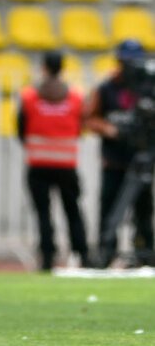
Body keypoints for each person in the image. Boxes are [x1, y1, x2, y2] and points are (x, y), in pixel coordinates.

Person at [17, 50, 91, 271]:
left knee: (43, 213)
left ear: (44, 67)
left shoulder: (29, 96)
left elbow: (20, 129)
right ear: (62, 67)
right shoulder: (76, 97)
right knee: (73, 211)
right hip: (66, 164)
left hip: (38, 163)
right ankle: (82, 255)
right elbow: (80, 127)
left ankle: (48, 258)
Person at [85, 39, 155, 268]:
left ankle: (144, 252)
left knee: (143, 211)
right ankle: (107, 252)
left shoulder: (149, 87)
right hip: (114, 161)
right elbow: (89, 118)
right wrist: (110, 129)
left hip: (141, 158)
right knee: (109, 209)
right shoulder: (106, 88)